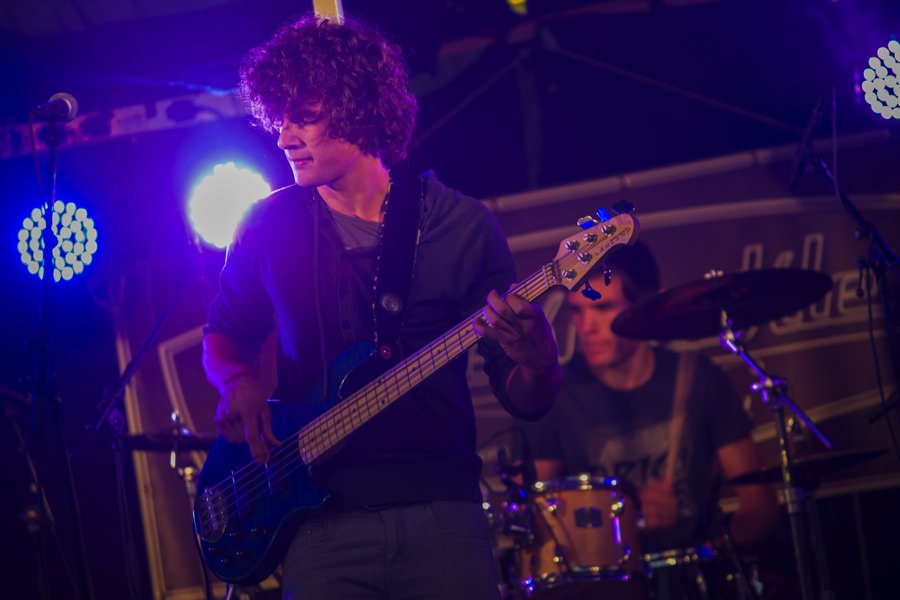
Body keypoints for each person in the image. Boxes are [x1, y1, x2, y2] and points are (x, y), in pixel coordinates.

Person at [201, 13, 561, 600]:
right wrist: (236, 381)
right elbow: (224, 335)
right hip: (318, 524)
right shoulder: (265, 226)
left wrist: (539, 361)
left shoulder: (461, 225)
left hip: (442, 517)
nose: (284, 137)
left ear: (359, 109)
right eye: (279, 118)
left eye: (303, 116)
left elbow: (525, 398)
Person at [520, 241, 779, 593]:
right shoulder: (554, 394)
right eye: (577, 311)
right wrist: (632, 523)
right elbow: (536, 525)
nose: (586, 326)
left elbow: (761, 508)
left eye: (602, 308)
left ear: (640, 308)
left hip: (694, 582)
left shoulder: (697, 378)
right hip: (602, 589)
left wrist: (707, 552)